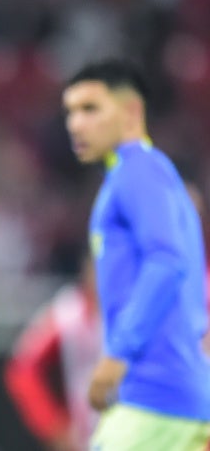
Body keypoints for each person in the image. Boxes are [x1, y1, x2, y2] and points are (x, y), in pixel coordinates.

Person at [61, 58, 210, 450]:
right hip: (180, 399)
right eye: (70, 112)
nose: (76, 124)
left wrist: (118, 354)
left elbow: (167, 261)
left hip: (152, 399)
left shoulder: (137, 171)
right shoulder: (156, 175)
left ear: (132, 112)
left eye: (90, 109)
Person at [4, 253, 101, 451]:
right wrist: (53, 425)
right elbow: (22, 370)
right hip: (83, 435)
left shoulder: (136, 312)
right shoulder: (67, 313)